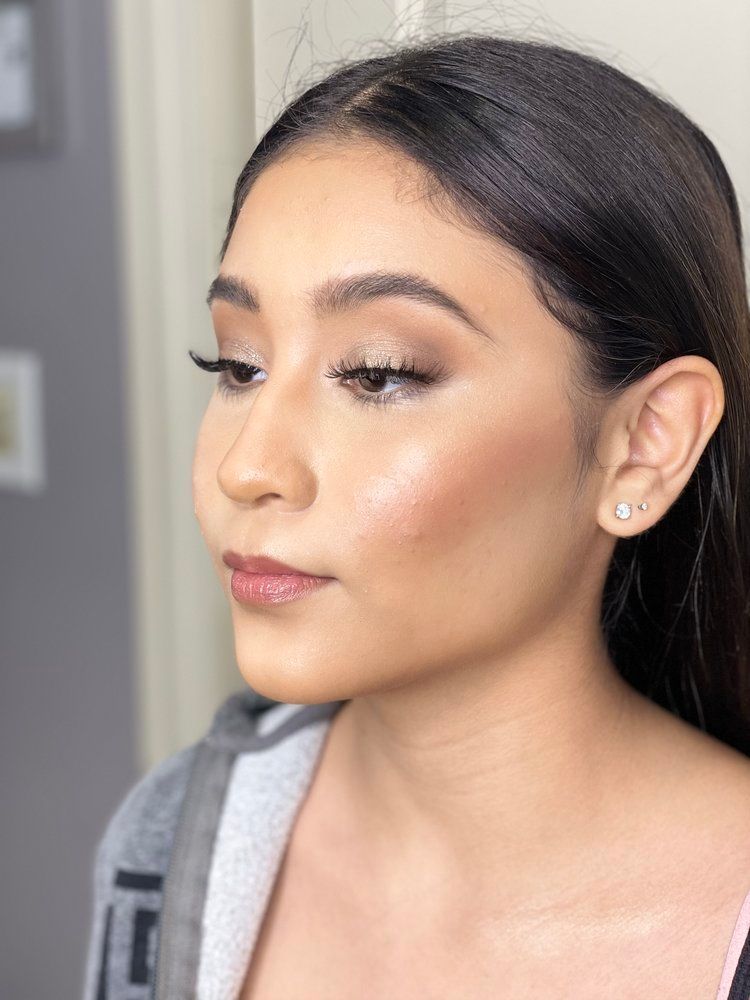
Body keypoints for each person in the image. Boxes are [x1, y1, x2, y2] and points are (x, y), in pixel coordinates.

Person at [83, 32, 750, 1000]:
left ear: (644, 441)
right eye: (238, 366)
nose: (248, 465)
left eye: (380, 373)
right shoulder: (177, 835)